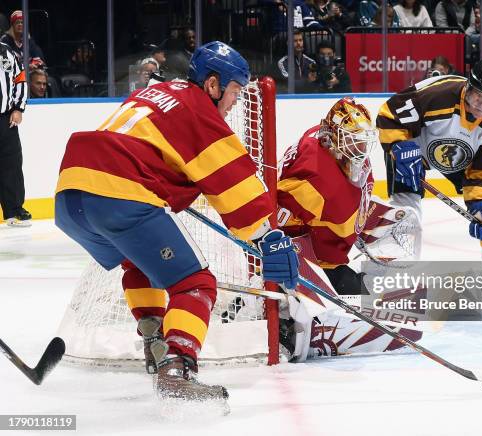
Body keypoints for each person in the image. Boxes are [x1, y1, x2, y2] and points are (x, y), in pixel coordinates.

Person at [54, 41, 299, 404]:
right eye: (233, 91)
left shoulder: (156, 95)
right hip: (119, 192)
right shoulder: (199, 109)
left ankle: (155, 343)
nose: (234, 102)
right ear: (213, 85)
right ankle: (177, 368)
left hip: (70, 195)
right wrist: (268, 236)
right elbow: (235, 186)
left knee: (139, 262)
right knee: (195, 283)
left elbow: (149, 152)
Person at [277, 97, 422, 361]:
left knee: (405, 222)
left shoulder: (334, 147)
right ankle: (282, 318)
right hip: (315, 262)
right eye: (353, 138)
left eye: (363, 138)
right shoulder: (313, 180)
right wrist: (299, 289)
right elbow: (281, 229)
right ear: (332, 138)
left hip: (329, 251)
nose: (361, 146)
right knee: (359, 314)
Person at [376, 60, 482, 308]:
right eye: (479, 96)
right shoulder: (438, 96)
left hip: (458, 157)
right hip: (413, 152)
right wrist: (400, 147)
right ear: (469, 88)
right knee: (407, 212)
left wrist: (481, 204)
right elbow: (389, 114)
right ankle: (397, 286)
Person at [0, 42, 30, 227]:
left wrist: (18, 108)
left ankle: (14, 211)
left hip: (5, 119)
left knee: (11, 164)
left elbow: (20, 79)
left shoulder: (7, 52)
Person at [276, 29, 316, 93]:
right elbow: (289, 83)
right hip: (290, 98)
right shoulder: (282, 63)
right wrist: (307, 81)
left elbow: (315, 83)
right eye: (295, 41)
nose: (298, 43)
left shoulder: (311, 62)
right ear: (288, 43)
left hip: (308, 96)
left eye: (300, 40)